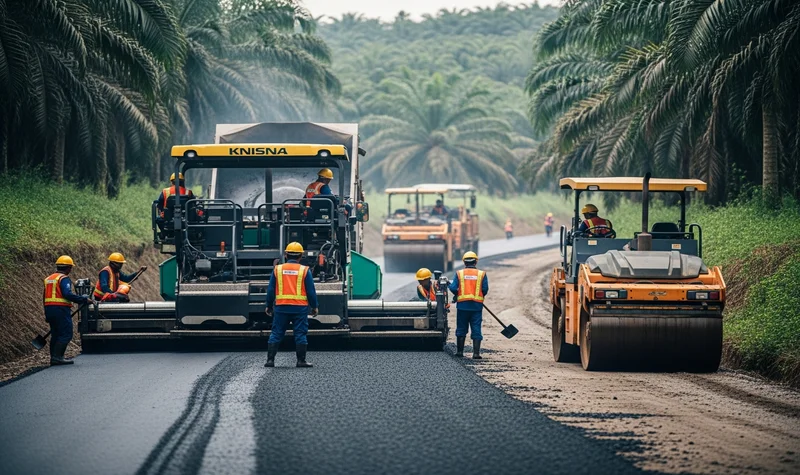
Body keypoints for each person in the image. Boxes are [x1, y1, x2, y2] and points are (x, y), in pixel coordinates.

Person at [265, 242, 318, 368]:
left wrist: (269, 305)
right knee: (300, 333)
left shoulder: (277, 269)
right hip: (300, 308)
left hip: (281, 307)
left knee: (276, 333)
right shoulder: (304, 270)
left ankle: (270, 360)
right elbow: (311, 291)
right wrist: (314, 306)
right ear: (301, 256)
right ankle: (301, 361)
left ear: (286, 255)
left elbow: (271, 290)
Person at [44, 256, 95, 365]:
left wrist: (46, 313)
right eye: (70, 267)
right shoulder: (63, 278)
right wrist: (83, 299)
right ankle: (58, 357)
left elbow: (44, 297)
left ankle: (54, 357)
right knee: (66, 333)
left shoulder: (48, 279)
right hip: (61, 309)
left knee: (55, 334)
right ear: (68, 268)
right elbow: (67, 294)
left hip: (49, 309)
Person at [448, 251, 489, 359]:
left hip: (462, 306)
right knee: (476, 328)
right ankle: (476, 353)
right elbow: (485, 289)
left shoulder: (459, 273)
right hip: (476, 306)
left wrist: (456, 292)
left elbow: (453, 288)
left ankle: (459, 352)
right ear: (476, 262)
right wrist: (479, 296)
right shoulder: (481, 274)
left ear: (464, 262)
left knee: (461, 328)